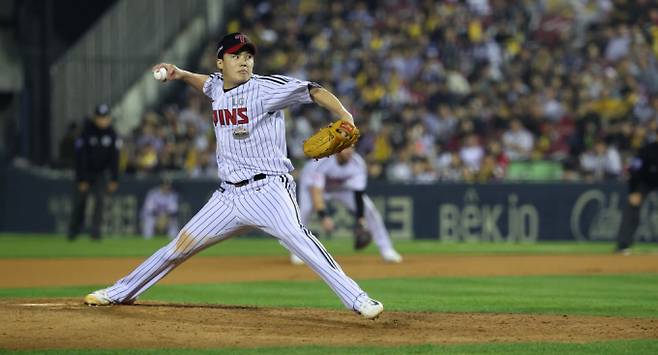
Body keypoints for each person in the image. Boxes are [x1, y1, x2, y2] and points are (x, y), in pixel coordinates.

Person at [83, 32, 384, 319]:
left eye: (249, 56)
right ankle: (120, 292)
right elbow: (206, 84)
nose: (244, 61)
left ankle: (358, 299)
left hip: (268, 190)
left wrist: (345, 115)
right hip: (228, 197)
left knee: (299, 239)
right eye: (236, 56)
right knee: (177, 248)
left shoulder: (265, 89)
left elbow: (313, 90)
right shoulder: (216, 86)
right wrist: (179, 73)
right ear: (220, 62)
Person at [290, 147, 402, 265]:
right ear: (337, 149)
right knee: (304, 212)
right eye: (345, 148)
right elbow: (316, 193)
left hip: (341, 188)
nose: (349, 151)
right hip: (311, 186)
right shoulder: (323, 161)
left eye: (351, 148)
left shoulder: (357, 164)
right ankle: (297, 252)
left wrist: (361, 220)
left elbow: (358, 194)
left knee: (370, 210)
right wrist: (324, 216)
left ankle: (387, 249)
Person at [67, 104, 120, 241]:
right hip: (85, 173)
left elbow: (115, 158)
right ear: (95, 118)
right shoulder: (86, 132)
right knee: (80, 202)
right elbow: (80, 158)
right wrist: (82, 179)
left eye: (105, 117)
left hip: (100, 174)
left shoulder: (112, 134)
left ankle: (95, 233)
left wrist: (114, 179)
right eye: (100, 117)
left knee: (100, 202)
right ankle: (73, 232)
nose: (103, 120)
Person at [615, 137, 658, 254]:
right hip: (644, 182)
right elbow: (634, 170)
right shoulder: (646, 150)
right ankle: (623, 245)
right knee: (632, 210)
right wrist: (634, 191)